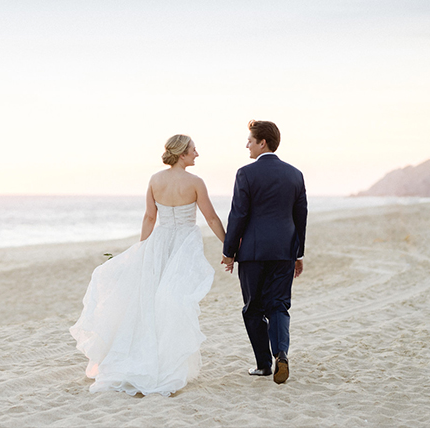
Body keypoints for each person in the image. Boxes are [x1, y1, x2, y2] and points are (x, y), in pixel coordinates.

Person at [70, 135, 226, 396]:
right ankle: (167, 362)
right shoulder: (196, 182)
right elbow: (210, 217)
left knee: (153, 302)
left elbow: (149, 217)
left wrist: (142, 249)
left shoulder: (155, 180)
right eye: (193, 150)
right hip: (184, 244)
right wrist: (228, 247)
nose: (197, 153)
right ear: (181, 154)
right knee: (175, 301)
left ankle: (152, 356)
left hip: (159, 243)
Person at [221, 120, 307, 384]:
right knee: (279, 305)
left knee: (253, 309)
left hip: (253, 254)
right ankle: (281, 353)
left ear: (263, 142)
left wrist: (229, 251)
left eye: (250, 139)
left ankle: (263, 365)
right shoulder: (295, 174)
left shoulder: (245, 173)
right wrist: (298, 253)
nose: (247, 144)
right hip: (284, 252)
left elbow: (239, 214)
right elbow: (300, 216)